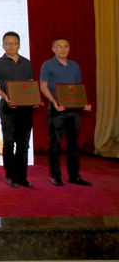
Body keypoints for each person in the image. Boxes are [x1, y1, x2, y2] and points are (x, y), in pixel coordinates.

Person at [39, 37, 93, 187]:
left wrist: (84, 104)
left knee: (74, 145)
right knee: (54, 145)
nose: (62, 49)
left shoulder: (75, 66)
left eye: (65, 46)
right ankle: (56, 176)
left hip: (73, 110)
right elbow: (43, 86)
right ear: (53, 49)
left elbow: (77, 89)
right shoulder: (47, 65)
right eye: (59, 46)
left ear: (69, 48)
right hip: (57, 110)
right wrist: (54, 102)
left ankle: (74, 176)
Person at [0, 31, 35, 188]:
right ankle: (11, 176)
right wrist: (5, 96)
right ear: (3, 46)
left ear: (19, 45)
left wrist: (34, 99)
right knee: (9, 142)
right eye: (7, 43)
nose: (11, 46)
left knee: (24, 143)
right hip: (7, 107)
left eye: (14, 43)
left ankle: (23, 177)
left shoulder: (26, 63)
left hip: (26, 108)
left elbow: (30, 84)